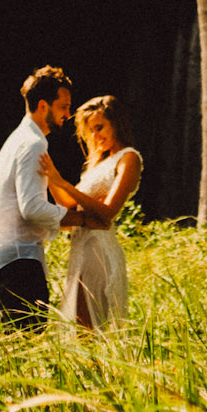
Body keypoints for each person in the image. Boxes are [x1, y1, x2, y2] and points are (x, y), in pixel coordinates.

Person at [0, 66, 109, 329]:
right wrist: (81, 218)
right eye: (63, 107)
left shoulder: (20, 139)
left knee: (19, 341)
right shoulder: (32, 144)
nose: (68, 114)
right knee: (27, 338)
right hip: (17, 260)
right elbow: (32, 208)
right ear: (44, 106)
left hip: (11, 257)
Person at [42, 95, 140, 329]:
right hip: (80, 250)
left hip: (99, 250)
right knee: (81, 328)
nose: (96, 137)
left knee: (92, 330)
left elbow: (107, 212)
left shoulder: (128, 158)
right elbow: (68, 205)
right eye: (90, 132)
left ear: (116, 124)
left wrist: (64, 183)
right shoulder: (97, 164)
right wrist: (50, 175)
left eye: (100, 127)